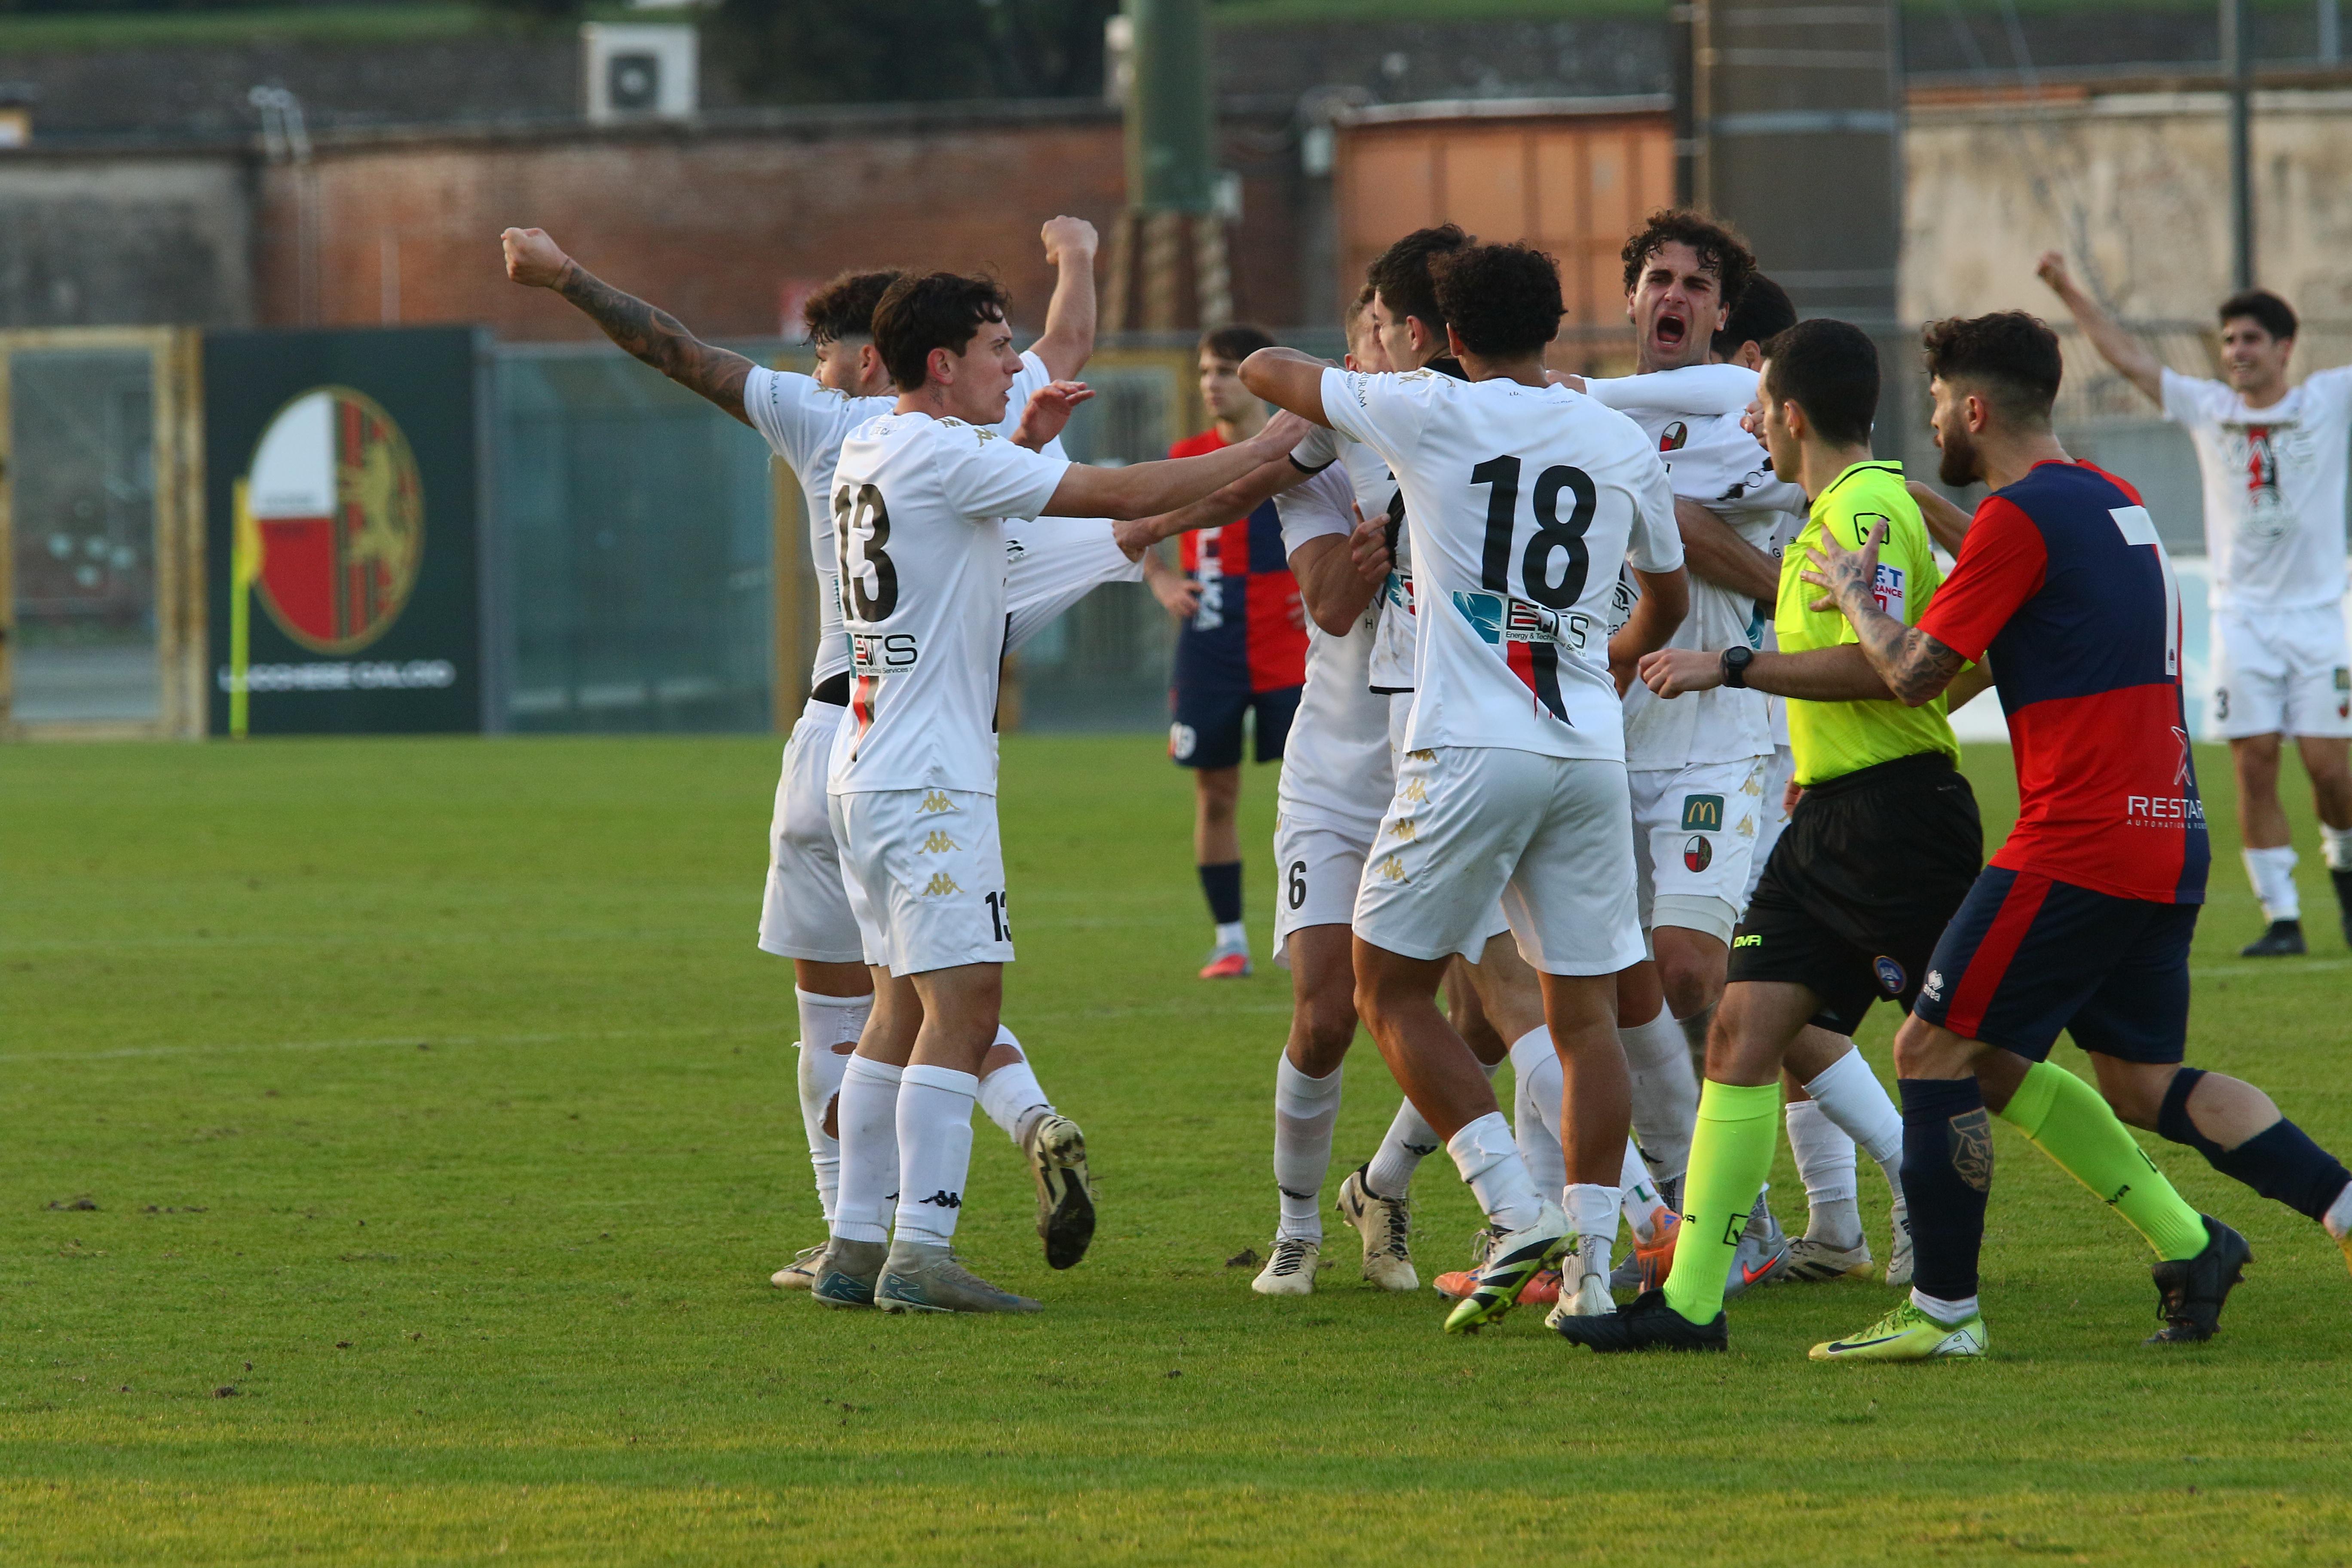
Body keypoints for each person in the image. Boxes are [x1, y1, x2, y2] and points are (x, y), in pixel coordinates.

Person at [498, 223, 1107, 1289]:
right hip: (927, 729)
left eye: (824, 353)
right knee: (933, 991)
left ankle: (848, 1230)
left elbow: (676, 350)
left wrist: (565, 278)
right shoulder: (981, 414)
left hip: (839, 734)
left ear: (871, 356)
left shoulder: (830, 422)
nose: (815, 370)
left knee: (848, 1014)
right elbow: (1068, 345)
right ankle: (1013, 1131)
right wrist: (1078, 258)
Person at [1808, 311, 2352, 1360]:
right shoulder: (2112, 498)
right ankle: (2343, 1206)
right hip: (2169, 833)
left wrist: (1857, 598)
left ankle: (1944, 1315)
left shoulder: (2018, 520)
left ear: (1975, 409)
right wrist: (1931, 511)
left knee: (1929, 1048)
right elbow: (2022, 610)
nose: (1933, 423)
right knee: (2140, 1083)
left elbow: (1917, 674)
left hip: (2079, 841)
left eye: (1937, 406)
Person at [810, 270, 1309, 1314]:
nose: (1017, 365)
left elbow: (980, 490)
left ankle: (855, 1247)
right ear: (942, 364)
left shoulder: (874, 445)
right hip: (931, 782)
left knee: (897, 1009)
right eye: (999, 348)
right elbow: (1129, 494)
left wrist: (1027, 439)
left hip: (864, 770)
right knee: (965, 1009)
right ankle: (921, 1254)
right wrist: (1275, 441)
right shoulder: (946, 454)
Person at [1242, 240, 1691, 1330]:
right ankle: (1593, 1276)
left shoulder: (1429, 411)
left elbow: (1262, 369)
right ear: (1557, 327)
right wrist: (1604, 652)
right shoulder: (1613, 435)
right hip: (1587, 749)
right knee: (1584, 1019)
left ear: (1447, 338)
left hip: (1469, 748)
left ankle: (1508, 1204)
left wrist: (1378, 378)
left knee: (1385, 990)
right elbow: (1670, 601)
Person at [1560, 317, 1987, 1354]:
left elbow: (1896, 669)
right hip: (1835, 807)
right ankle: (1697, 1301)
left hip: (1894, 815)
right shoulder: (1831, 512)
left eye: (1760, 407)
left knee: (1987, 1058)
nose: (1749, 422)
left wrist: (1732, 667)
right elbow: (1935, 664)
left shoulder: (1864, 511)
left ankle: (2174, 1235)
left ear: (1790, 415)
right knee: (1743, 1030)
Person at [2039, 255, 2352, 955]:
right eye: (2230, 340)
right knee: (2255, 762)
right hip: (2242, 620)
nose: (2237, 351)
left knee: (2332, 771)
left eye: (2251, 340)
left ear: (2285, 348)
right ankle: (2282, 919)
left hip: (2319, 619)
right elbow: (2128, 360)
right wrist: (2067, 290)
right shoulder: (2210, 409)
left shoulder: (2329, 400)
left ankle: (2345, 869)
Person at [1158, 325, 1310, 981]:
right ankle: (1230, 941)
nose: (1212, 384)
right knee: (1215, 794)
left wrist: (1326, 587)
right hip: (1211, 645)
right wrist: (1162, 580)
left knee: (1313, 792)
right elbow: (1133, 523)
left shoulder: (1304, 450)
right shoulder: (1187, 456)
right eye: (1204, 372)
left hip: (1289, 647)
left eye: (1225, 370)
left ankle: (1318, 931)